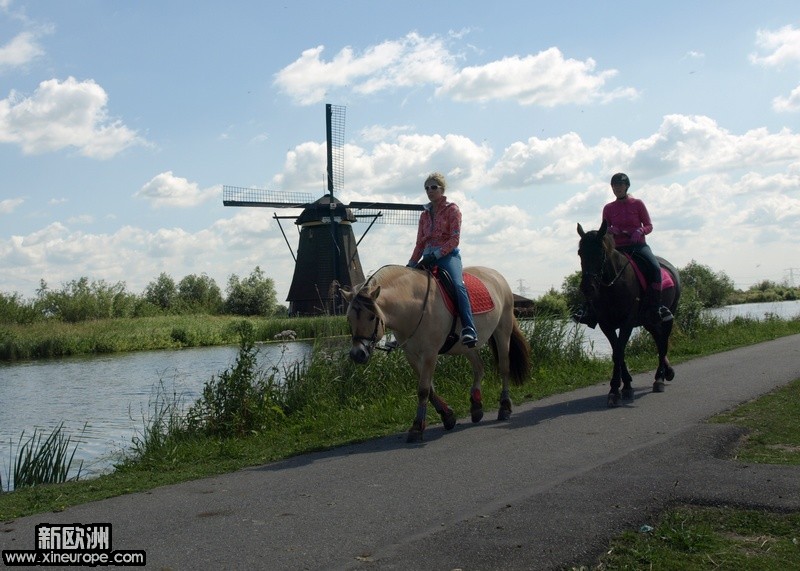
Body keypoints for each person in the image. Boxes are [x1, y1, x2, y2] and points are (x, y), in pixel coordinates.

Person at [573, 172, 673, 326]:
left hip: (638, 246)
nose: (617, 188)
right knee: (593, 272)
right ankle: (589, 310)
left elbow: (649, 225)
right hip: (618, 248)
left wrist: (640, 231)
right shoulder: (608, 208)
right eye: (614, 185)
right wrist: (611, 231)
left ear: (627, 186)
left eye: (620, 185)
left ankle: (657, 307)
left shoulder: (638, 204)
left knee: (653, 267)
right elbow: (604, 230)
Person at [407, 172, 478, 347]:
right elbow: (419, 243)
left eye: (433, 187)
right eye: (426, 188)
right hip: (427, 258)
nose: (429, 191)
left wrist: (437, 255)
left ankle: (469, 328)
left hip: (448, 256)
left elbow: (454, 239)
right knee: (408, 288)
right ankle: (406, 332)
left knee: (457, 285)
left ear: (442, 189)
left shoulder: (452, 210)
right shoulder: (424, 215)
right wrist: (411, 264)